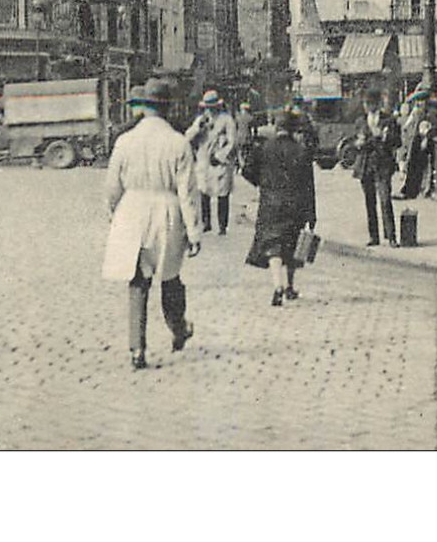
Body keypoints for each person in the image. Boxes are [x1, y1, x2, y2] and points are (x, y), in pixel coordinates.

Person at [102, 79, 202, 371]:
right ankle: (179, 329)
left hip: (132, 210)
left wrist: (114, 212)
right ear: (167, 108)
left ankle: (137, 348)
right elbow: (188, 193)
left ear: (144, 107)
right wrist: (194, 232)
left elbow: (112, 186)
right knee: (170, 277)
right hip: (166, 211)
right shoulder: (178, 142)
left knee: (137, 281)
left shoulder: (125, 141)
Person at [242, 107, 318, 306]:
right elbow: (309, 185)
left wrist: (263, 182)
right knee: (292, 244)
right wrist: (312, 214)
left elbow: (247, 171)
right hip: (295, 204)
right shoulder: (301, 150)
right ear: (293, 129)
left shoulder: (265, 148)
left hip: (270, 203)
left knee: (273, 245)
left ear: (276, 127)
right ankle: (290, 286)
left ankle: (277, 285)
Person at [352, 86, 402, 247]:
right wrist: (358, 143)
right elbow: (355, 141)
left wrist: (386, 137)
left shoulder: (388, 120)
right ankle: (374, 236)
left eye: (369, 103)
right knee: (369, 202)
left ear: (376, 104)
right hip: (365, 165)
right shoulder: (360, 121)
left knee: (385, 200)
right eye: (365, 103)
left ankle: (391, 236)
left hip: (382, 165)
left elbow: (397, 142)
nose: (366, 107)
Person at [186, 89, 239, 235]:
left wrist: (220, 156)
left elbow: (232, 141)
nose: (210, 109)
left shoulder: (227, 120)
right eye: (207, 107)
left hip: (220, 161)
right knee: (204, 191)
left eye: (212, 107)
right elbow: (188, 136)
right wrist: (198, 128)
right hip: (204, 160)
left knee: (223, 193)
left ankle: (222, 225)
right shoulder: (202, 119)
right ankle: (206, 222)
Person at [397, 85, 433, 199]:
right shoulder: (416, 112)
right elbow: (407, 126)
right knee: (412, 165)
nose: (420, 103)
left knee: (418, 166)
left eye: (422, 101)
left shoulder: (425, 114)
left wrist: (424, 139)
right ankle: (409, 189)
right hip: (414, 141)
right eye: (419, 101)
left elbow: (425, 129)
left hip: (419, 141)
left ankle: (414, 189)